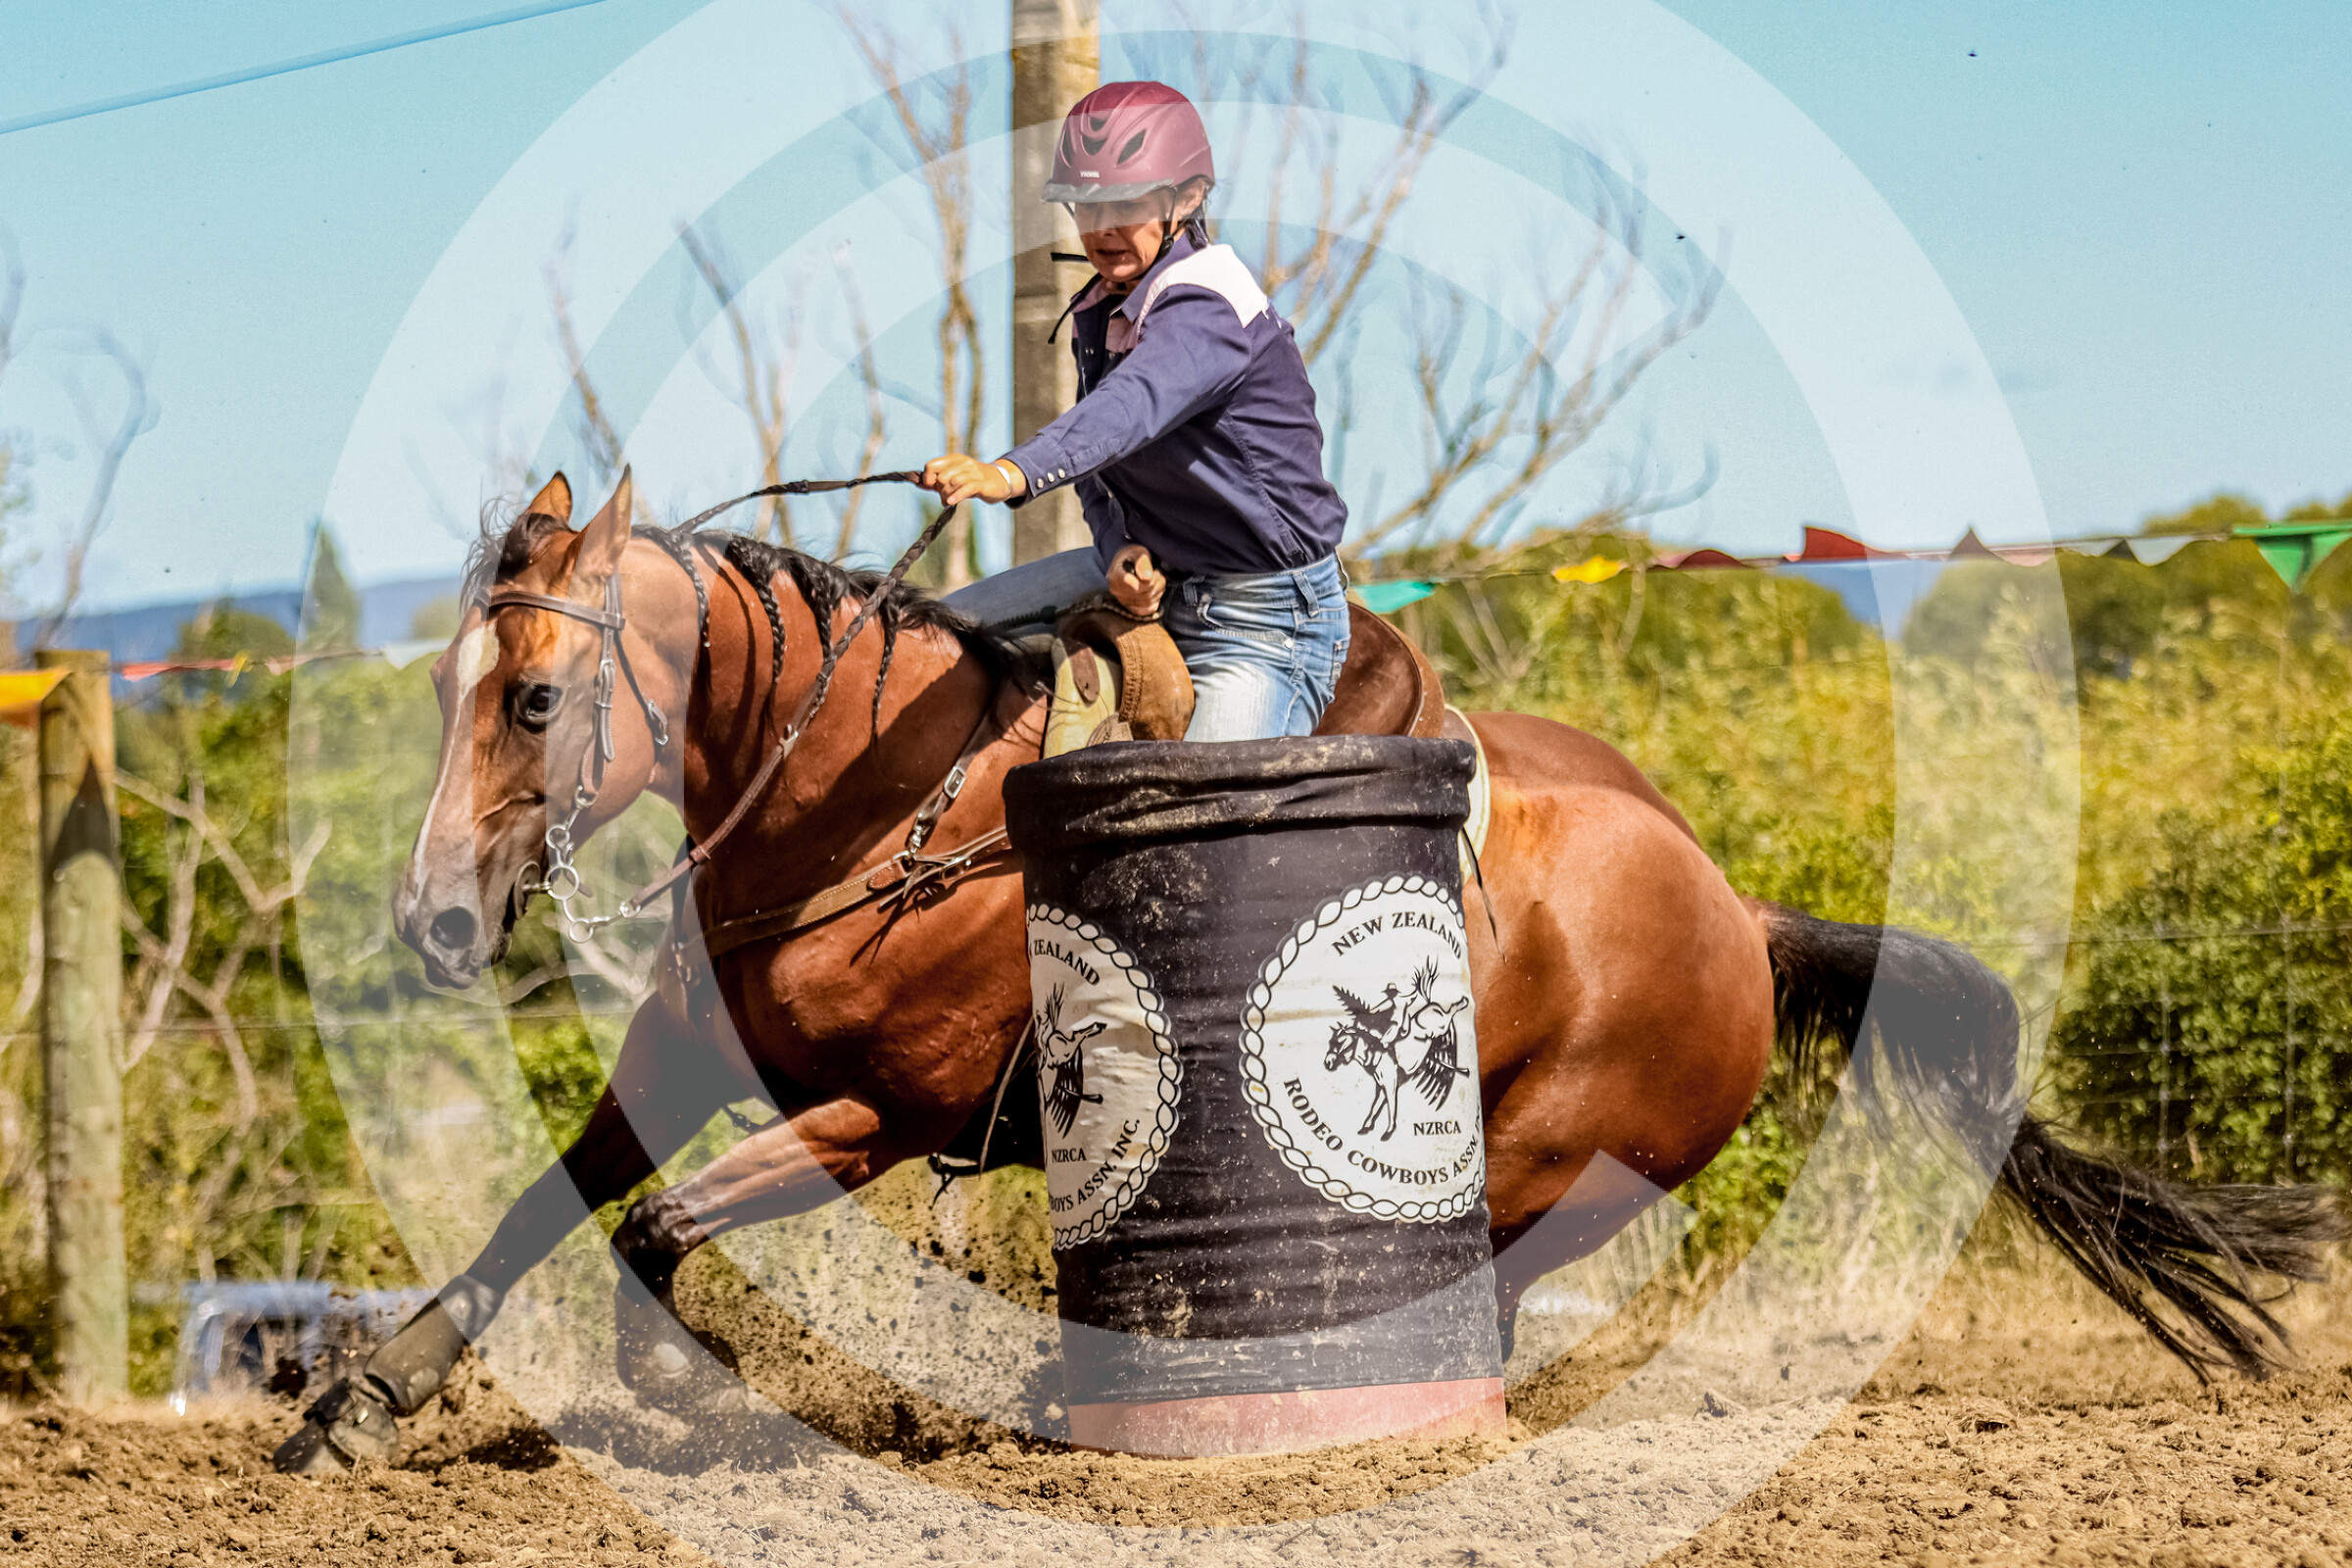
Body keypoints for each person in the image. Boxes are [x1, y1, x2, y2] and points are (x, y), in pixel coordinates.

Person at [922, 79, 1351, 742]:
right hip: (1164, 577)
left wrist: (1011, 472)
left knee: (1204, 805)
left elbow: (1125, 412)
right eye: (1086, 207)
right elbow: (1100, 469)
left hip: (1264, 620)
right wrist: (1118, 547)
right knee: (925, 643)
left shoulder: (1210, 305)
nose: (1102, 229)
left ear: (1189, 198)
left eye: (1126, 204)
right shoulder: (1103, 311)